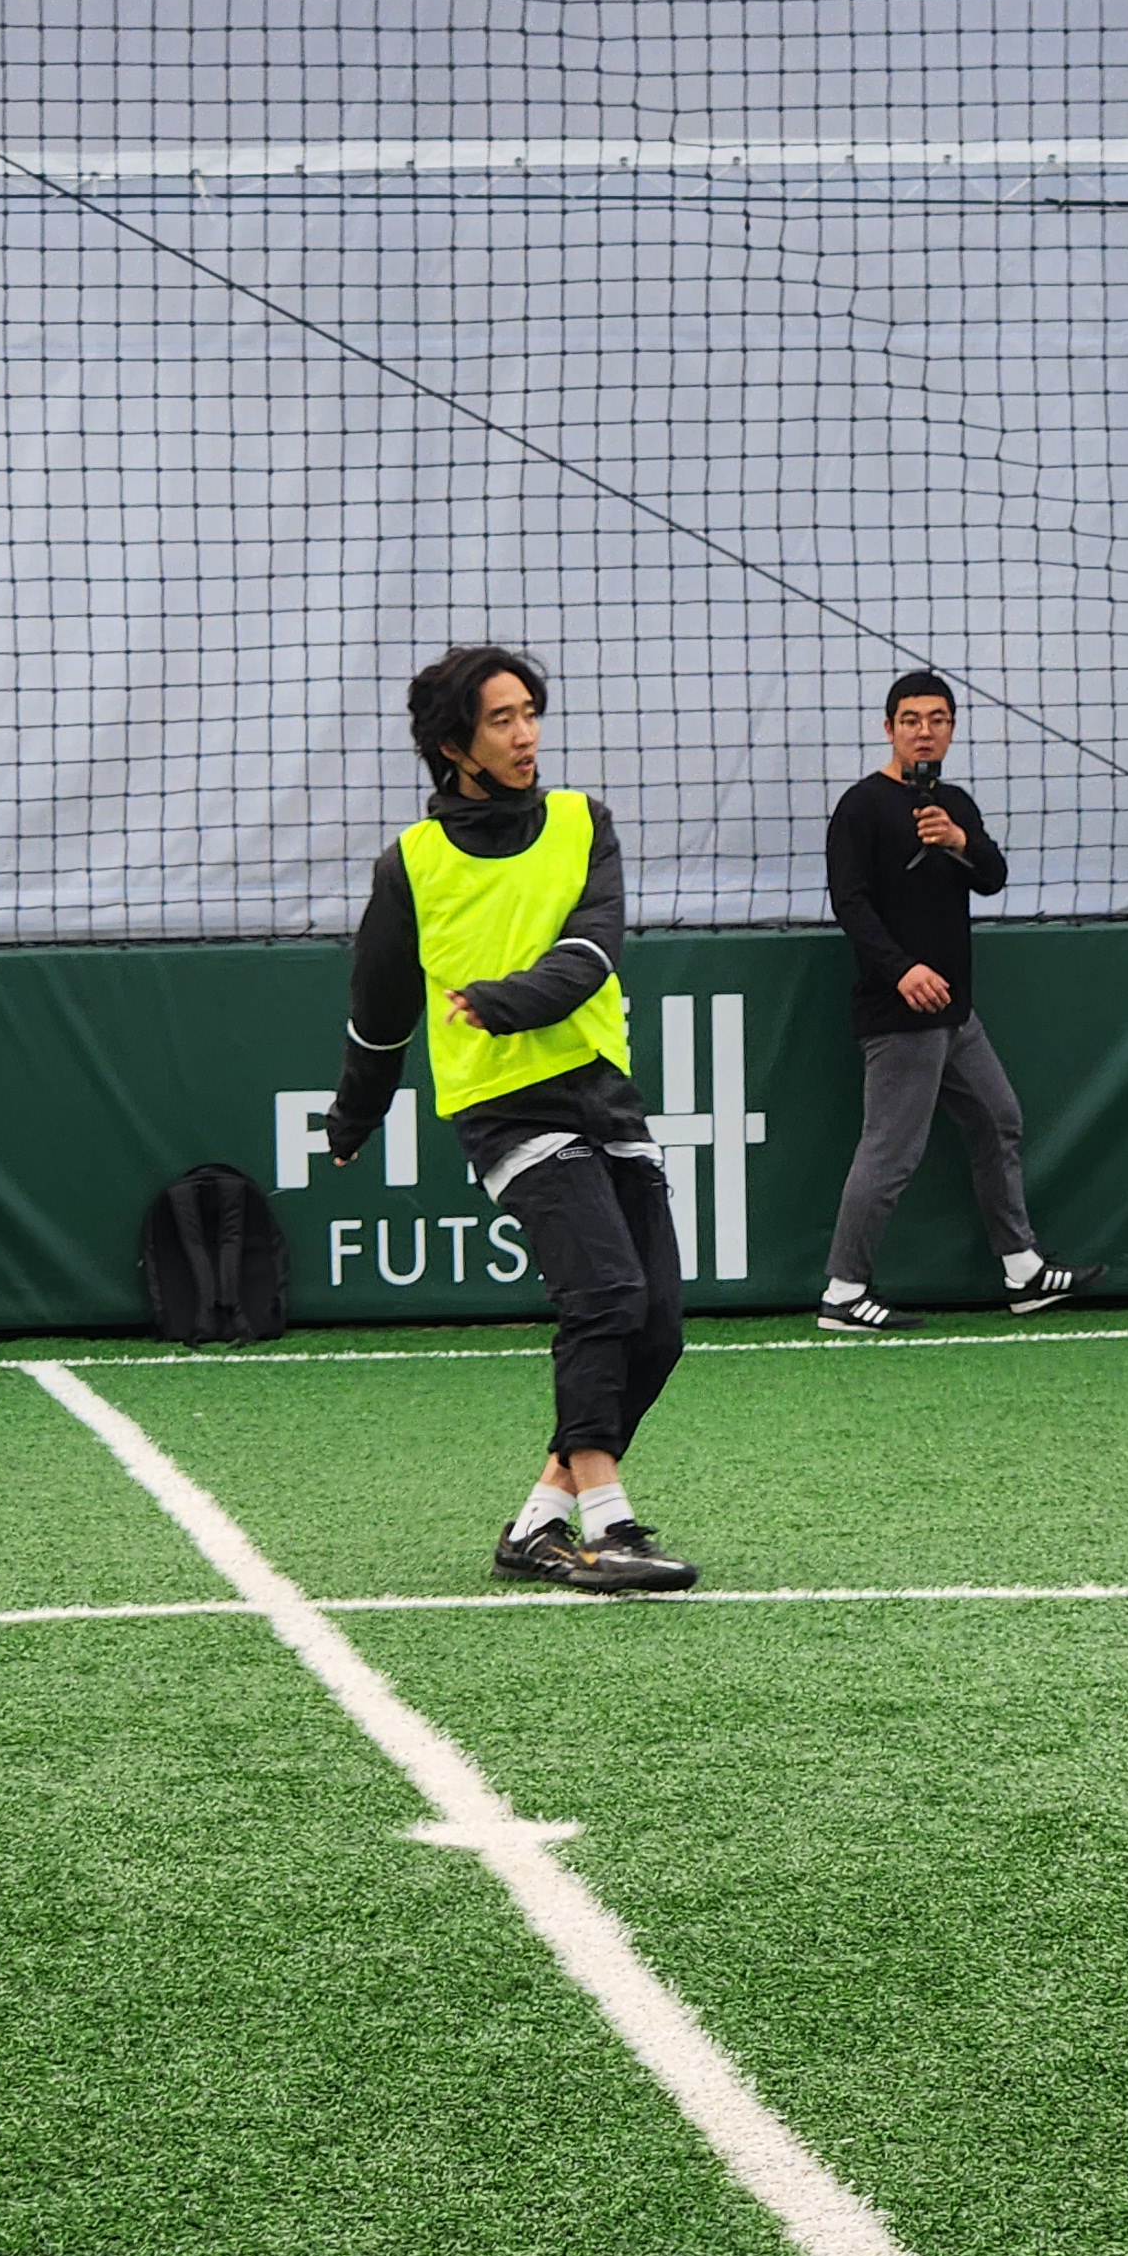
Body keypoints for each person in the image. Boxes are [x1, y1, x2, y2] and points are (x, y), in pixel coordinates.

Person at [324, 646, 698, 1594]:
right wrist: (353, 1117)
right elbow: (380, 1011)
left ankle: (537, 1524)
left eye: (530, 712)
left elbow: (591, 951)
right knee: (604, 1294)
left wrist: (503, 1000)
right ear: (455, 746)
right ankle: (609, 1526)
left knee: (656, 1328)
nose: (526, 734)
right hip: (506, 1112)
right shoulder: (411, 864)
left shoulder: (582, 823)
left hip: (602, 1093)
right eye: (502, 719)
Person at [815, 669, 1091, 1333]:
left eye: (937, 720)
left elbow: (992, 877)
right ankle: (843, 1292)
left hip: (955, 1012)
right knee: (891, 1152)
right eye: (911, 720)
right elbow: (850, 903)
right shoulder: (861, 807)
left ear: (951, 730)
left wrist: (958, 840)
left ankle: (1022, 1270)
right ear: (889, 729)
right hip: (900, 1013)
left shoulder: (955, 806)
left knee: (998, 1120)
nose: (924, 732)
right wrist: (902, 970)